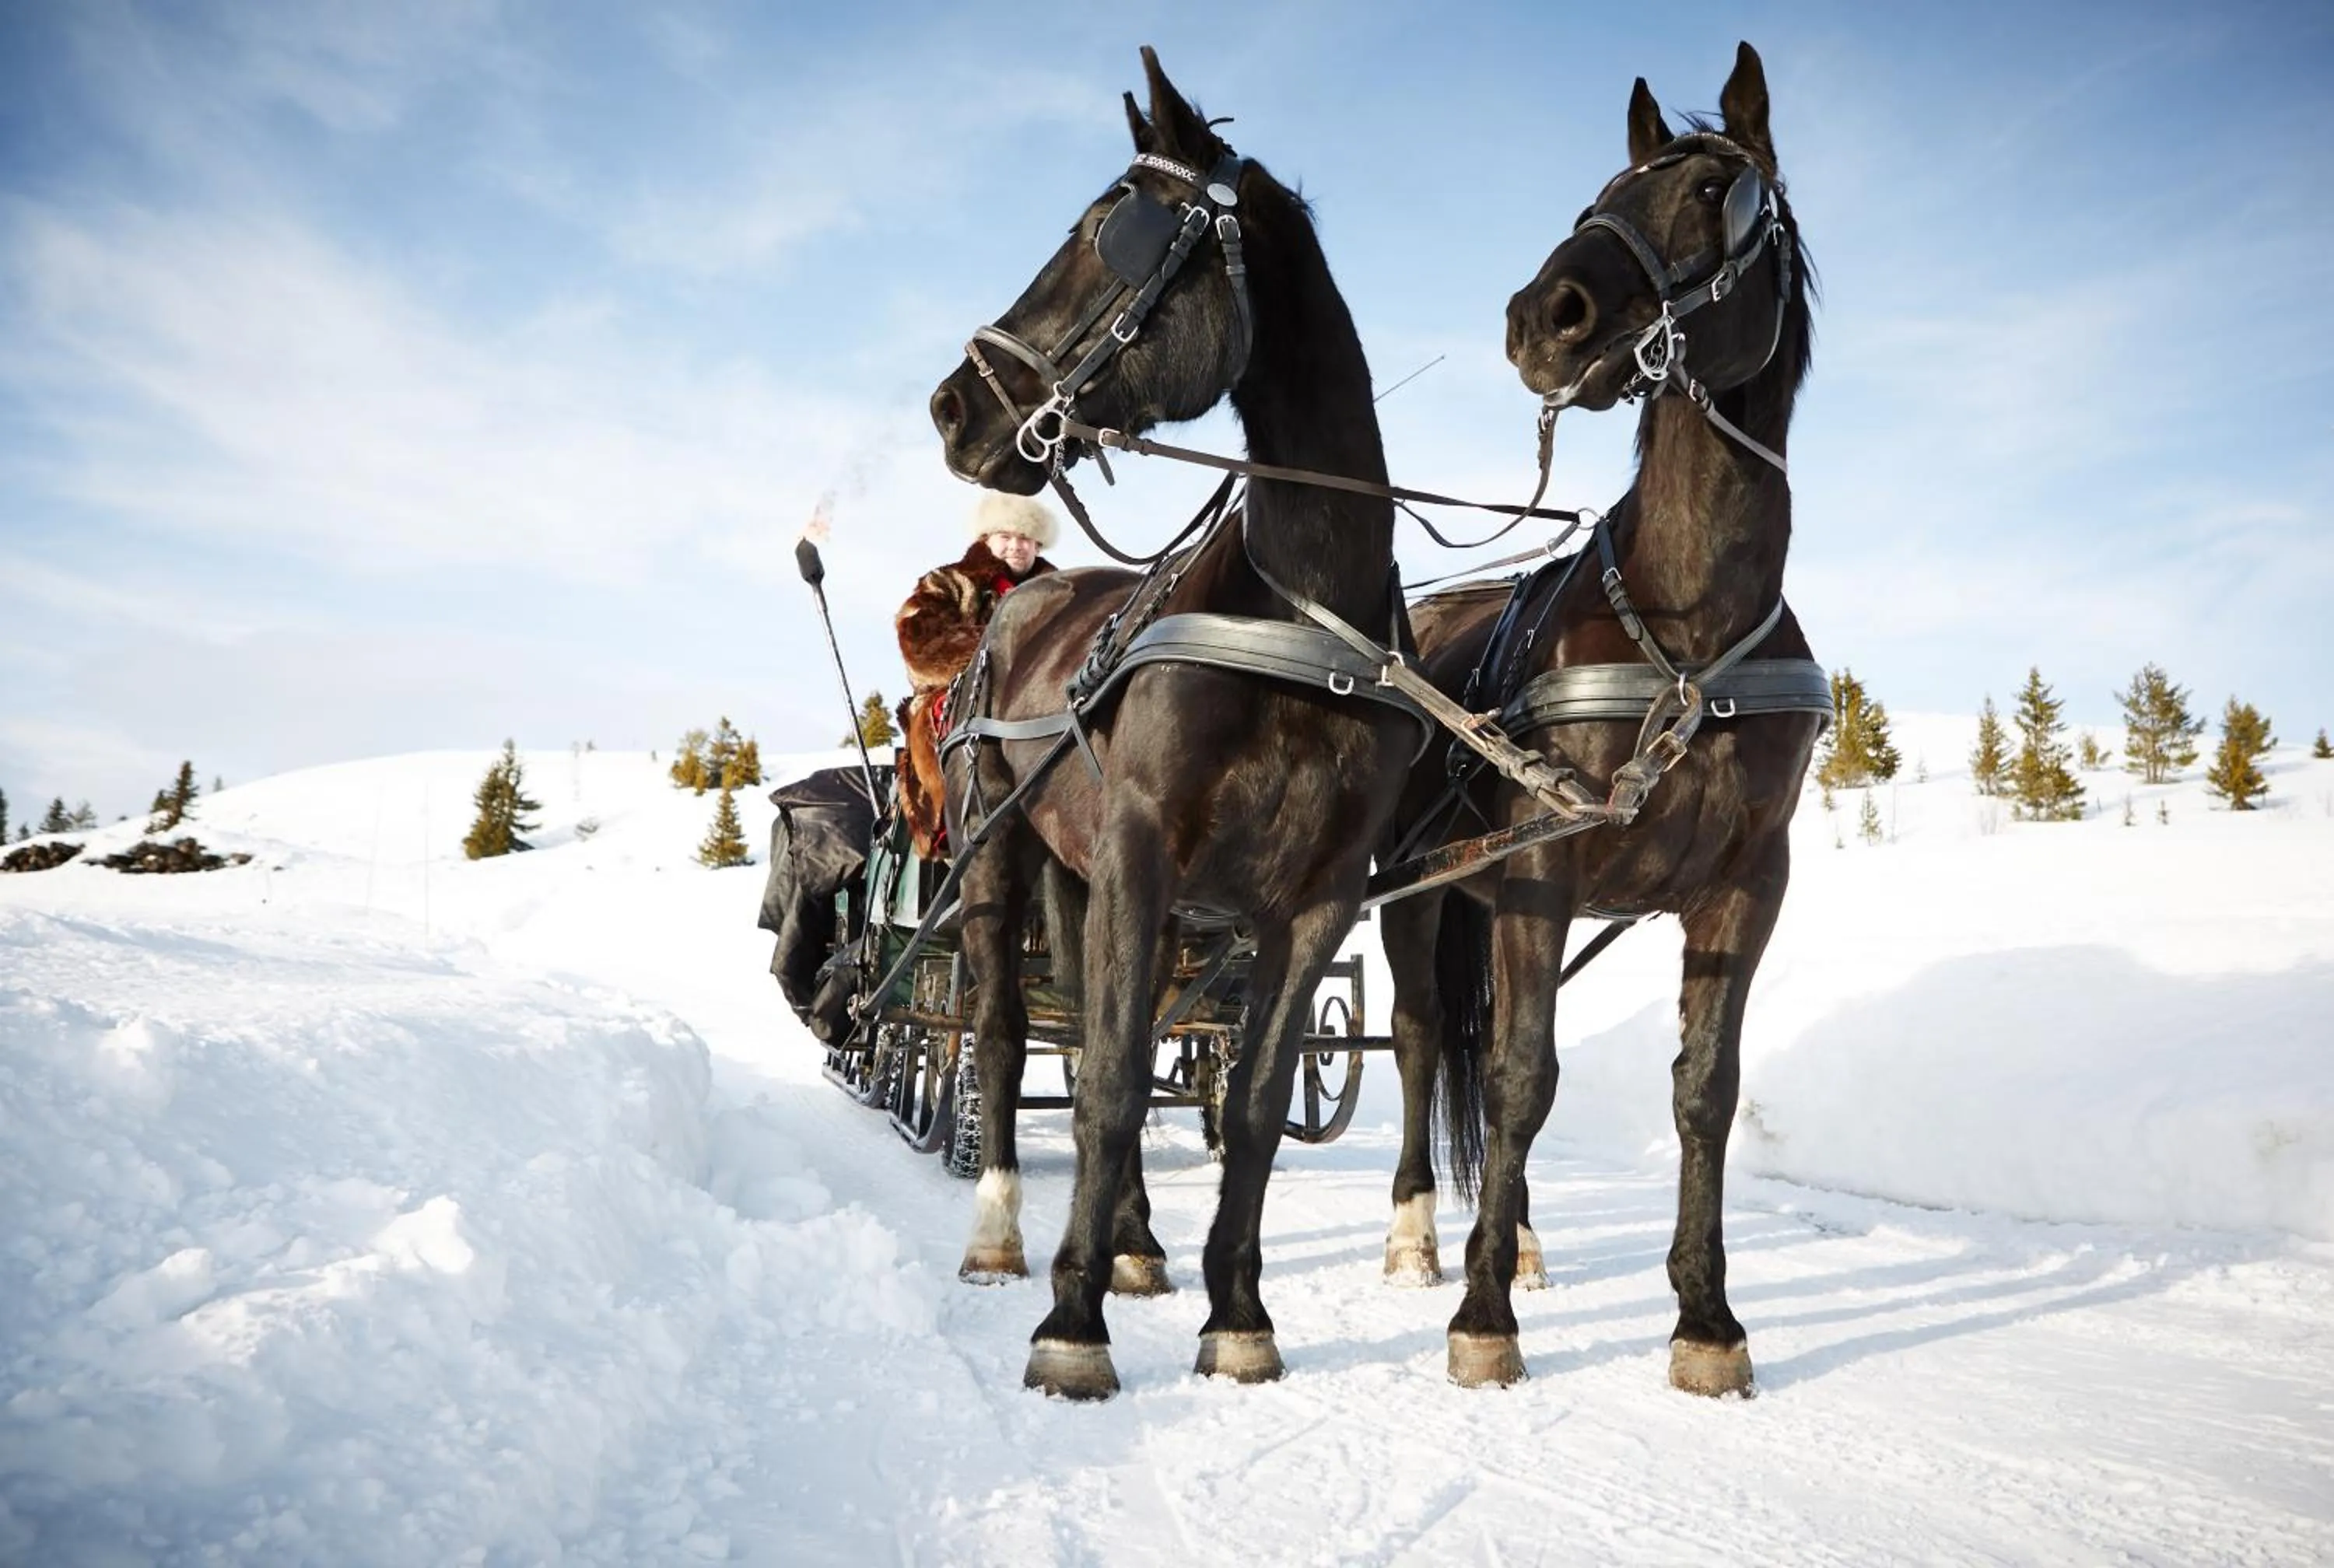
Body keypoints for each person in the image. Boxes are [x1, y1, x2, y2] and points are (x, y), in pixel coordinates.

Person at [892, 493, 1060, 856]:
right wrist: (1002, 654)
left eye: (1026, 538)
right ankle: (960, 820)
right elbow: (919, 639)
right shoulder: (949, 582)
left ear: (1038, 545)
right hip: (957, 699)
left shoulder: (1063, 594)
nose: (1016, 546)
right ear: (986, 539)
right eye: (1006, 536)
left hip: (1045, 703)